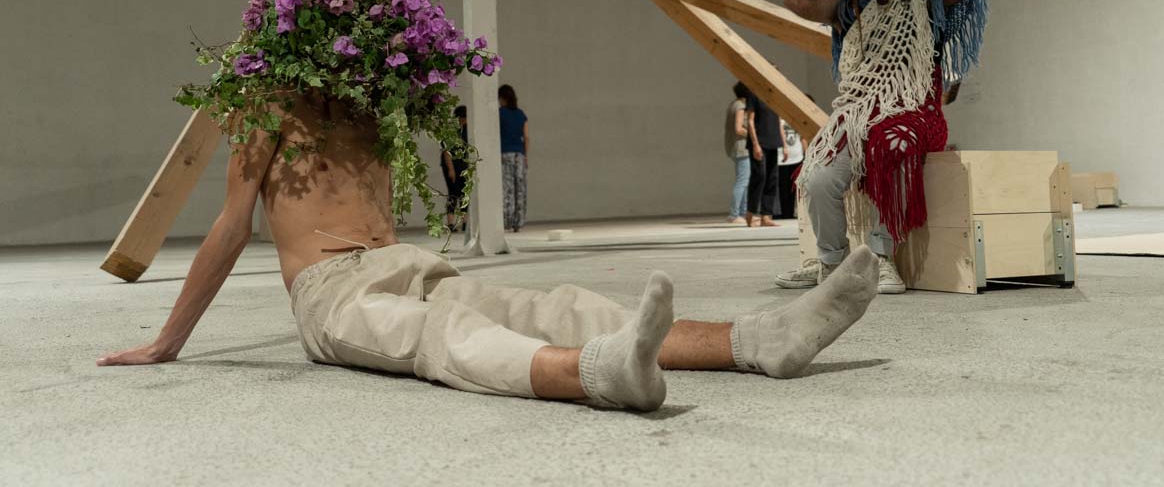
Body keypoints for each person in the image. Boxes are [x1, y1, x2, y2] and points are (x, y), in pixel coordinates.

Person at [96, 91, 883, 412]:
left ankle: (760, 340)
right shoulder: (266, 105)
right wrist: (167, 342)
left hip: (402, 261)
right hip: (332, 293)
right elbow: (232, 226)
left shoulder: (372, 99)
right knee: (440, 336)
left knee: (556, 305)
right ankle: (598, 374)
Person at [773, 0, 986, 294]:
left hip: (915, 110)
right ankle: (832, 263)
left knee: (892, 143)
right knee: (817, 175)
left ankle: (880, 257)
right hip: (857, 112)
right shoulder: (848, 4)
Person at [744, 89, 786, 228]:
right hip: (759, 142)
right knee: (759, 176)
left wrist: (785, 145)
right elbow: (750, 121)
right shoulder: (754, 94)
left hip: (773, 141)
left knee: (772, 179)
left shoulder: (774, 96)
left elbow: (779, 122)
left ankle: (766, 216)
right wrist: (755, 144)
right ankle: (751, 213)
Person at [498, 84, 529, 232]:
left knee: (507, 189)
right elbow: (526, 137)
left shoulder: (500, 113)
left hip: (505, 154)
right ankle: (519, 222)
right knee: (520, 189)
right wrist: (526, 156)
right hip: (520, 154)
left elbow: (496, 135)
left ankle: (507, 221)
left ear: (502, 98)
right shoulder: (521, 114)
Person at [440, 105, 469, 234]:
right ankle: (451, 223)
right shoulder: (450, 131)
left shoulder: (467, 130)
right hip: (451, 165)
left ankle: (464, 222)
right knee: (453, 194)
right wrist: (451, 169)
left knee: (464, 194)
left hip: (463, 166)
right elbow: (446, 151)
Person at [725, 82, 751, 222]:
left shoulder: (733, 104)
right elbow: (739, 128)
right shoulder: (740, 106)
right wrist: (753, 135)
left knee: (744, 180)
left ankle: (742, 213)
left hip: (735, 147)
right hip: (742, 147)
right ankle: (734, 214)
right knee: (742, 181)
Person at [776, 118, 806, 219]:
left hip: (796, 156)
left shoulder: (795, 118)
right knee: (782, 187)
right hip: (781, 157)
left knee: (793, 187)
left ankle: (790, 213)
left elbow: (802, 137)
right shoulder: (778, 118)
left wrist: (806, 153)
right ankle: (782, 213)